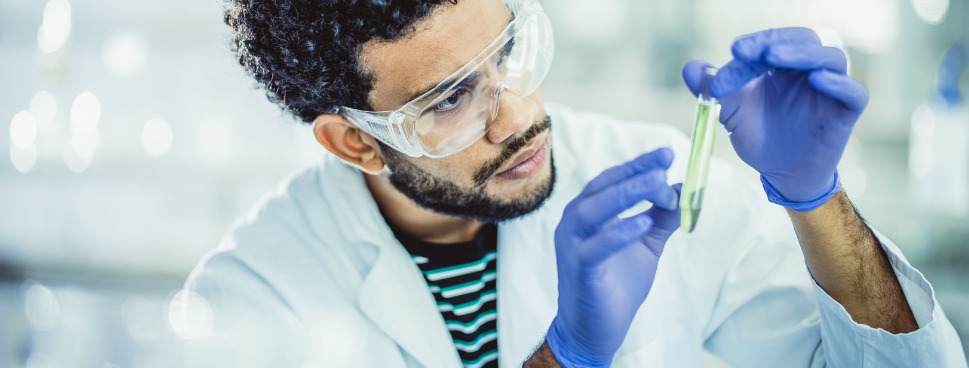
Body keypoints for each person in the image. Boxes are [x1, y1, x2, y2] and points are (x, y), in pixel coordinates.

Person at [185, 0, 968, 366]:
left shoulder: (649, 177)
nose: (519, 113)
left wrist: (813, 197)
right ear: (355, 141)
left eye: (511, 49)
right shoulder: (252, 299)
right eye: (453, 98)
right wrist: (566, 355)